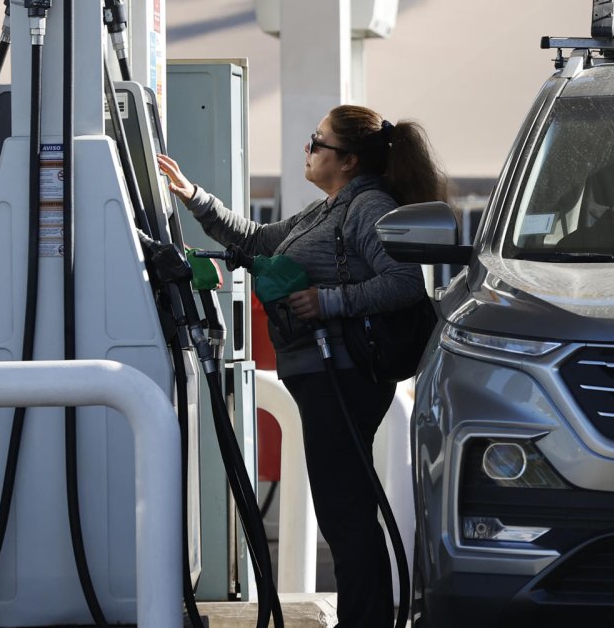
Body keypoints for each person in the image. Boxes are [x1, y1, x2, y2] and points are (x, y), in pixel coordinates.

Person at [158, 104, 448, 628]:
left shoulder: (367, 207)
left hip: (343, 378)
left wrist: (328, 301)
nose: (308, 151)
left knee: (344, 512)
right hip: (321, 377)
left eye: (317, 143)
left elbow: (407, 284)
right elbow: (255, 240)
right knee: (345, 509)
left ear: (349, 160)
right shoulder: (328, 209)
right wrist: (193, 197)